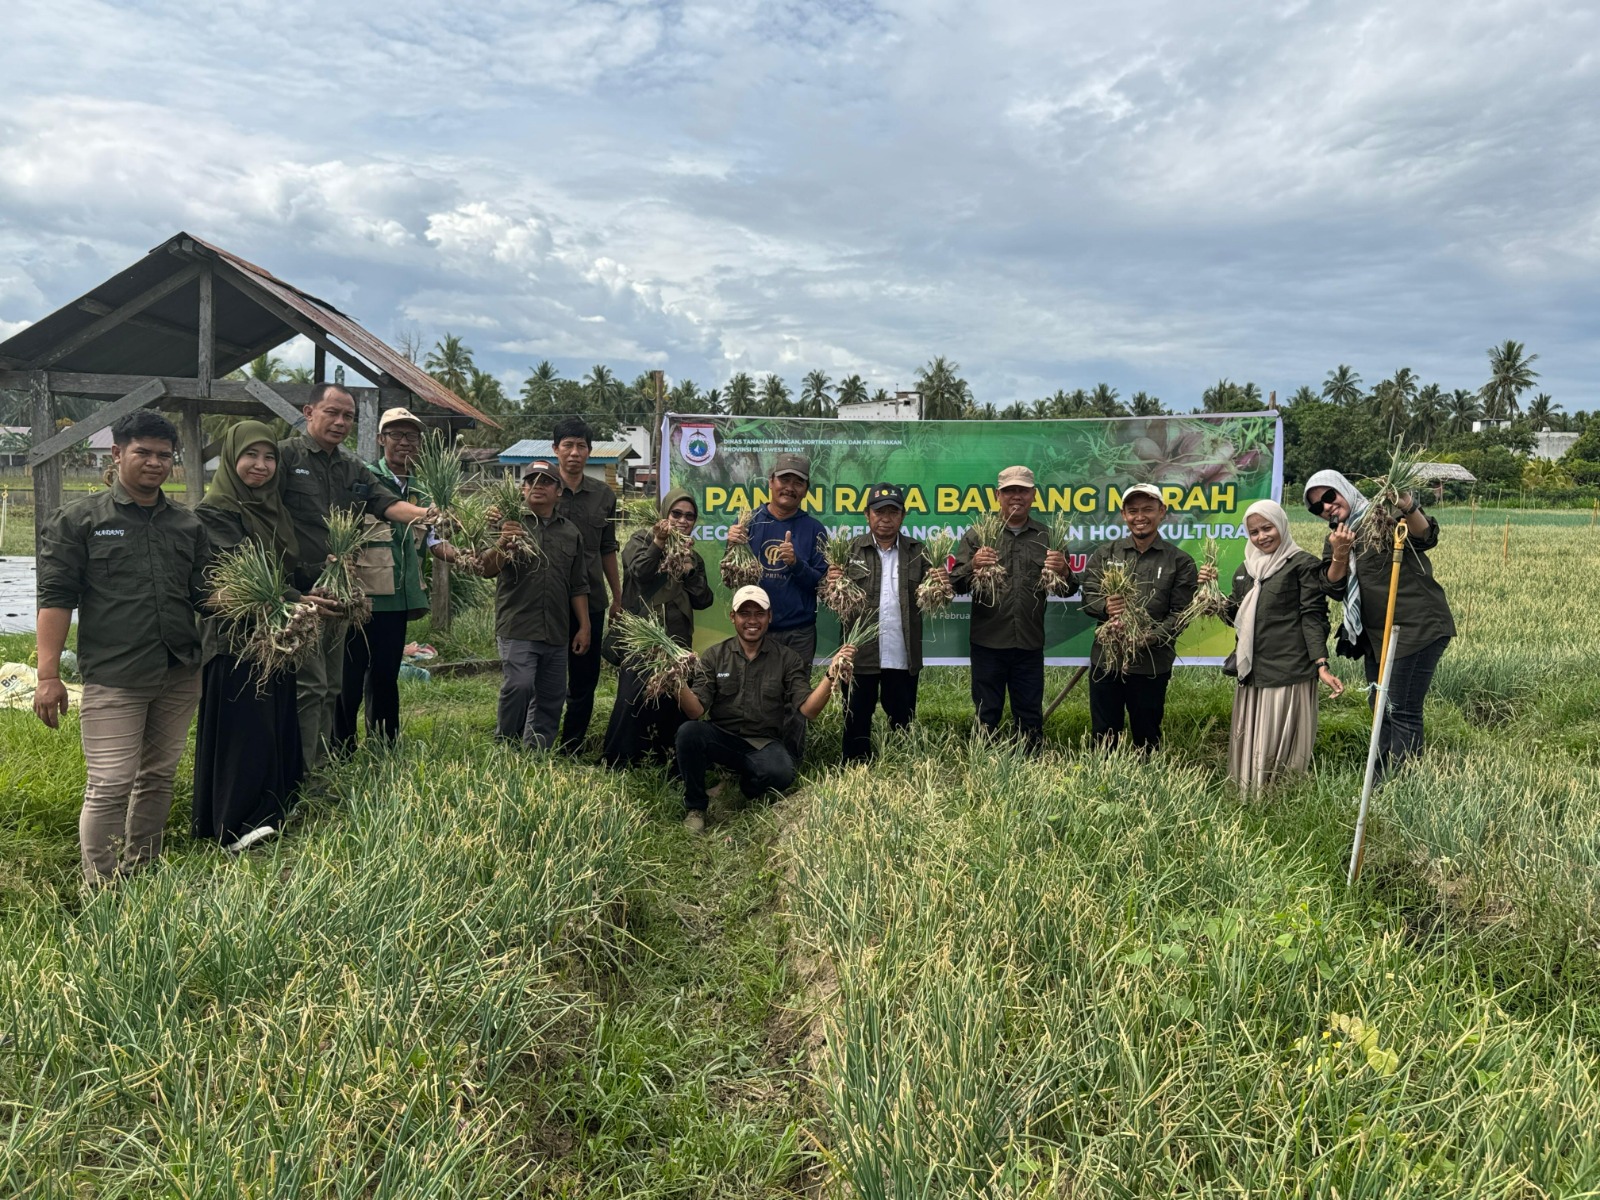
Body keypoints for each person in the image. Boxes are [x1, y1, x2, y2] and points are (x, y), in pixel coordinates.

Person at [33, 410, 210, 884]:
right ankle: (102, 886)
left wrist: (276, 602)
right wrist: (48, 676)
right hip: (116, 674)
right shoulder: (80, 520)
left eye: (164, 456)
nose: (154, 463)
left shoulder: (187, 525)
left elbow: (206, 594)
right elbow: (55, 599)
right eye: (143, 453)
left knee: (159, 776)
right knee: (110, 783)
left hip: (179, 669)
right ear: (117, 453)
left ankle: (142, 871)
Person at [193, 422, 335, 850]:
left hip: (277, 636)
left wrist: (322, 580)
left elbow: (285, 570)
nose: (261, 465)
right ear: (231, 459)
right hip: (237, 640)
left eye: (269, 457)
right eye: (250, 456)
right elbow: (239, 576)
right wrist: (297, 599)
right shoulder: (215, 512)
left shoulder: (273, 508)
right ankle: (235, 824)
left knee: (274, 724)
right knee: (245, 730)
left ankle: (272, 810)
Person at [278, 384, 432, 770]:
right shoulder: (284, 456)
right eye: (332, 412)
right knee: (307, 685)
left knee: (331, 684)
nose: (340, 422)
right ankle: (297, 768)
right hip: (295, 591)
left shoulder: (352, 468)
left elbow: (387, 503)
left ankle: (324, 765)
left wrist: (429, 516)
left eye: (348, 416)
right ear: (309, 412)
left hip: (337, 589)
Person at [1304, 469, 1454, 772]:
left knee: (1400, 708)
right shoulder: (1336, 538)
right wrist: (1340, 553)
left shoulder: (1383, 517)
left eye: (1329, 496)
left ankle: (1404, 783)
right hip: (1374, 637)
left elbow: (1425, 537)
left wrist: (1406, 504)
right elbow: (1332, 587)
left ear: (1343, 489)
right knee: (1379, 709)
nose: (1327, 507)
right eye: (1318, 507)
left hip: (1415, 628)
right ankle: (1381, 779)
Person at [673, 585, 854, 833]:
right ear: (733, 617)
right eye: (744, 613)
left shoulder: (787, 658)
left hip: (763, 743)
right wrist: (676, 681)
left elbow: (809, 711)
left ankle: (741, 788)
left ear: (770, 617)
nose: (752, 620)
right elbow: (695, 711)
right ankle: (696, 807)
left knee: (781, 773)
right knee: (688, 732)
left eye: (759, 614)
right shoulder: (715, 656)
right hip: (722, 738)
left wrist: (831, 675)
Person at [1197, 499, 1343, 792]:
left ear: (1282, 525)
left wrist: (1321, 663)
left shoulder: (1302, 564)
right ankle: (1249, 792)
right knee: (1252, 735)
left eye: (1268, 528)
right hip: (1253, 669)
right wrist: (1211, 597)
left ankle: (1282, 794)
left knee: (1278, 736)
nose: (1262, 536)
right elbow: (1237, 617)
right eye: (1254, 532)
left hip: (1288, 669)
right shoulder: (1245, 569)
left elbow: (1313, 616)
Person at [333, 407, 456, 754]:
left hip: (399, 597)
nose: (405, 442)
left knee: (386, 675)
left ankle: (384, 747)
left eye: (411, 436)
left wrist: (466, 556)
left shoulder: (423, 489)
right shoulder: (363, 479)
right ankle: (341, 748)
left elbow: (434, 542)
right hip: (362, 595)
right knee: (350, 675)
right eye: (397, 435)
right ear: (380, 439)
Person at [950, 465, 1074, 751]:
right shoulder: (978, 536)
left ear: (1033, 495)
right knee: (987, 712)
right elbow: (955, 585)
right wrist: (973, 565)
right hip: (988, 642)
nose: (1016, 496)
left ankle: (1030, 764)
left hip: (1029, 642)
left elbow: (1067, 590)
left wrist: (1065, 572)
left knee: (1029, 713)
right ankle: (984, 762)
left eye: (1023, 490)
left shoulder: (1048, 537)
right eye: (1009, 491)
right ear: (998, 495)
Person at [478, 460, 590, 750]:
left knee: (551, 697)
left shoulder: (570, 532)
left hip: (557, 629)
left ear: (559, 491)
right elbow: (486, 569)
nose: (538, 486)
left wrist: (584, 626)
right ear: (523, 489)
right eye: (531, 481)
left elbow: (578, 585)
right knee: (520, 685)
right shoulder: (507, 524)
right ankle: (506, 746)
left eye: (546, 481)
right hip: (518, 625)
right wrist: (504, 541)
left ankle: (536, 754)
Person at [602, 487, 714, 770]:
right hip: (642, 641)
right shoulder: (641, 540)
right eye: (676, 513)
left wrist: (689, 570)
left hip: (677, 642)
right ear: (664, 514)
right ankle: (619, 763)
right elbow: (639, 573)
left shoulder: (692, 555)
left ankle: (669, 763)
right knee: (632, 700)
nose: (683, 520)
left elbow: (704, 600)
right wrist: (659, 542)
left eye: (689, 516)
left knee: (672, 703)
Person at [1080, 483, 1198, 752]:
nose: (1140, 517)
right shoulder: (1106, 554)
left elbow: (1181, 614)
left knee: (1147, 734)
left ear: (1162, 512)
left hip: (1151, 664)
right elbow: (1088, 597)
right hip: (1106, 661)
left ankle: (1145, 775)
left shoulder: (1180, 561)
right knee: (1104, 734)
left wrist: (1151, 637)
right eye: (1133, 511)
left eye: (1148, 509)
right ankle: (1104, 774)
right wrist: (1105, 606)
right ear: (1124, 515)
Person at [826, 483, 937, 763]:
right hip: (859, 656)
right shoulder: (849, 551)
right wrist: (829, 582)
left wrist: (940, 583)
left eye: (893, 512)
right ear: (867, 515)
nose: (886, 518)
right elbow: (828, 597)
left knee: (902, 720)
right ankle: (855, 769)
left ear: (903, 515)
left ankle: (901, 769)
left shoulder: (918, 552)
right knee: (856, 719)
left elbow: (937, 596)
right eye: (879, 512)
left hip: (902, 654)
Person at [551, 417, 621, 753]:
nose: (574, 452)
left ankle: (572, 745)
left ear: (590, 452)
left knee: (584, 677)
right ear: (555, 449)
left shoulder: (603, 495)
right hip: (546, 599)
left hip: (591, 600)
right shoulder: (540, 488)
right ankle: (536, 740)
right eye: (568, 445)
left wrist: (618, 596)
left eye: (581, 446)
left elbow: (608, 548)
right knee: (543, 673)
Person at [723, 453, 828, 663]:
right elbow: (730, 580)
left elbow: (822, 586)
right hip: (755, 630)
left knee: (796, 685)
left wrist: (796, 564)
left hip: (799, 633)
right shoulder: (746, 523)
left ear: (806, 490)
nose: (790, 487)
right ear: (771, 482)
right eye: (784, 480)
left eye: (798, 483)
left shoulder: (815, 529)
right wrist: (731, 546)